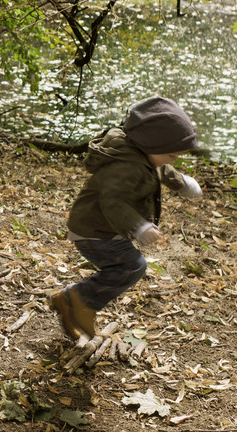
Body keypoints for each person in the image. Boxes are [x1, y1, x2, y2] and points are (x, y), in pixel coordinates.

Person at [50, 96, 203, 339]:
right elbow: (113, 203)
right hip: (95, 231)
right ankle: (77, 301)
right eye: (172, 155)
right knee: (131, 266)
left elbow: (160, 167)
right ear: (151, 146)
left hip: (105, 227)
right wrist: (139, 227)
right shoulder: (125, 166)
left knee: (127, 266)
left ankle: (75, 300)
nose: (174, 160)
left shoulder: (140, 152)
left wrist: (182, 183)